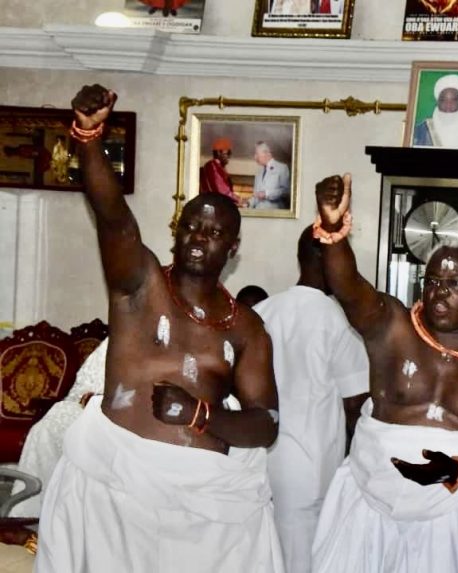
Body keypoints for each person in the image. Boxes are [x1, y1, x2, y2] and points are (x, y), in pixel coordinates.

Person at [36, 84, 284, 572]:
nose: (199, 238)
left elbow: (266, 425)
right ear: (176, 231)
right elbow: (113, 219)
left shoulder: (246, 329)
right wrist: (88, 137)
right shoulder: (139, 286)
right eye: (191, 226)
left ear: (231, 250)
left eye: (214, 233)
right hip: (113, 493)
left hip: (203, 512)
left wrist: (200, 416)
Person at [310, 174, 458, 573]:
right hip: (374, 505)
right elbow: (347, 286)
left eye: (454, 283)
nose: (439, 292)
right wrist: (334, 230)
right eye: (432, 281)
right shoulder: (392, 327)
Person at [254, 225, 370, 573]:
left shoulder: (261, 311)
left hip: (261, 461)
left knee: (268, 555)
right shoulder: (337, 319)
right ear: (326, 258)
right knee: (305, 561)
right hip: (312, 466)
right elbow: (357, 404)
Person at [9, 340, 108, 519]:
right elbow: (83, 389)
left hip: (132, 418)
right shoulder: (121, 338)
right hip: (94, 409)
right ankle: (29, 515)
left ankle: (75, 516)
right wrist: (90, 397)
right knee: (55, 418)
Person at [412, 74, 458, 149]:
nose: (448, 105)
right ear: (437, 101)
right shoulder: (419, 131)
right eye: (443, 100)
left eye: (454, 100)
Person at [199, 137, 241, 206]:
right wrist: (239, 200)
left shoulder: (219, 167)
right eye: (227, 153)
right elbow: (223, 190)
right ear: (218, 152)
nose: (228, 157)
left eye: (229, 154)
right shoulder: (212, 165)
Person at [251, 141, 291, 210]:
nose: (255, 157)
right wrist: (248, 203)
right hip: (257, 214)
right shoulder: (258, 173)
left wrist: (266, 194)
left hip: (274, 214)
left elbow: (286, 192)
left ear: (267, 153)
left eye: (257, 154)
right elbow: (256, 196)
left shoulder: (282, 168)